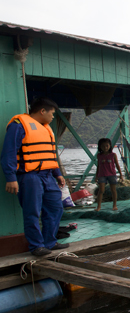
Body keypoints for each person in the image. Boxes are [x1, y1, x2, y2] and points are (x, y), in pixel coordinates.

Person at [1, 98, 69, 256]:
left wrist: (57, 174)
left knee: (55, 208)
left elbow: (50, 155)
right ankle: (36, 246)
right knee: (32, 211)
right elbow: (8, 153)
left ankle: (50, 242)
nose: (53, 117)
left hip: (48, 175)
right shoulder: (19, 125)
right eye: (52, 113)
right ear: (42, 111)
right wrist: (11, 177)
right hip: (29, 176)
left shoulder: (46, 129)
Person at [95, 138, 123, 211]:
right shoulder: (99, 155)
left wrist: (121, 174)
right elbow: (98, 166)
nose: (105, 148)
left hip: (112, 174)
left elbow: (117, 165)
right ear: (100, 147)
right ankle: (98, 206)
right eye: (103, 146)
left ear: (110, 146)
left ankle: (114, 205)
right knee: (101, 190)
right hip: (102, 175)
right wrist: (96, 176)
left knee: (113, 190)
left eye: (107, 146)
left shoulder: (113, 155)